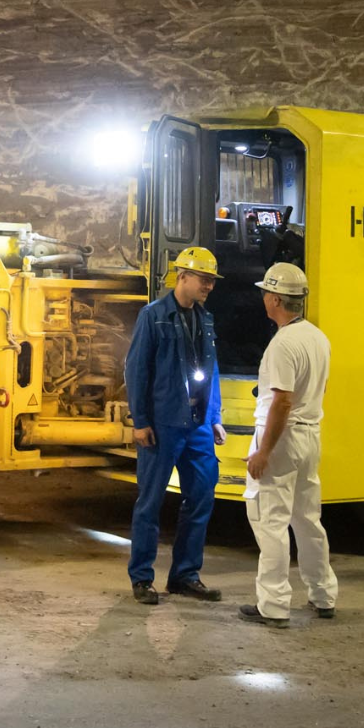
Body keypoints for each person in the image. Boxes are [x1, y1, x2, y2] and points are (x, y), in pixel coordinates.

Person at [123, 246, 227, 606]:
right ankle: (141, 578)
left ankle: (185, 575)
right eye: (204, 279)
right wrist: (140, 421)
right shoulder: (154, 317)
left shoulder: (206, 319)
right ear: (182, 276)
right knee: (150, 502)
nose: (209, 286)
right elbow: (136, 370)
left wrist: (215, 417)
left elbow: (210, 372)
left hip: (197, 424)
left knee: (200, 496)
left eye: (213, 281)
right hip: (163, 424)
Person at [239, 261, 338, 628]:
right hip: (310, 434)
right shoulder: (317, 337)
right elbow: (320, 389)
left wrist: (264, 451)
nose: (264, 298)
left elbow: (281, 401)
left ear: (277, 299)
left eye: (267, 292)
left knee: (271, 522)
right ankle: (323, 594)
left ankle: (274, 605)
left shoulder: (283, 345)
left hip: (282, 439)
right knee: (308, 520)